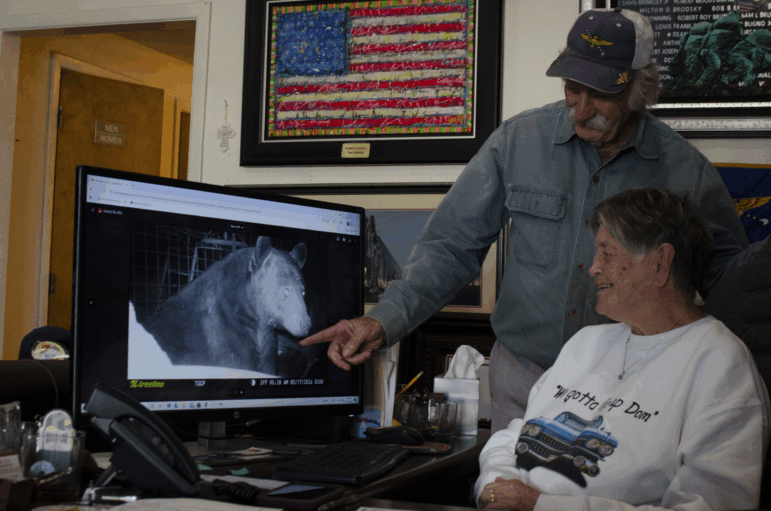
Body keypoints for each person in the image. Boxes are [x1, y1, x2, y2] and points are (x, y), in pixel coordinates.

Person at [300, 8, 771, 433]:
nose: (581, 109)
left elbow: (729, 284)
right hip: (523, 378)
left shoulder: (686, 170)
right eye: (572, 88)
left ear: (638, 90)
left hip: (635, 387)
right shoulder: (518, 141)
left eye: (602, 93)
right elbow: (450, 247)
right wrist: (381, 322)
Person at [475, 187, 770, 511]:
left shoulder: (719, 364)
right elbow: (515, 434)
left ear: (660, 263)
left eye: (607, 254)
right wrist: (495, 487)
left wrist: (540, 505)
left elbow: (708, 507)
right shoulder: (587, 342)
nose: (594, 268)